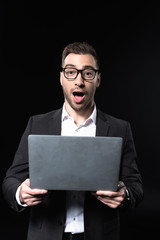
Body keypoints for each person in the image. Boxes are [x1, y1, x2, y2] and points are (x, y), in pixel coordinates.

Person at [2, 42, 143, 240]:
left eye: (87, 73)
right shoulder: (37, 124)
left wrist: (125, 195)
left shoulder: (120, 128)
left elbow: (135, 184)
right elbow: (11, 180)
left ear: (98, 79)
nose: (79, 81)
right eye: (70, 72)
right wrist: (20, 193)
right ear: (61, 78)